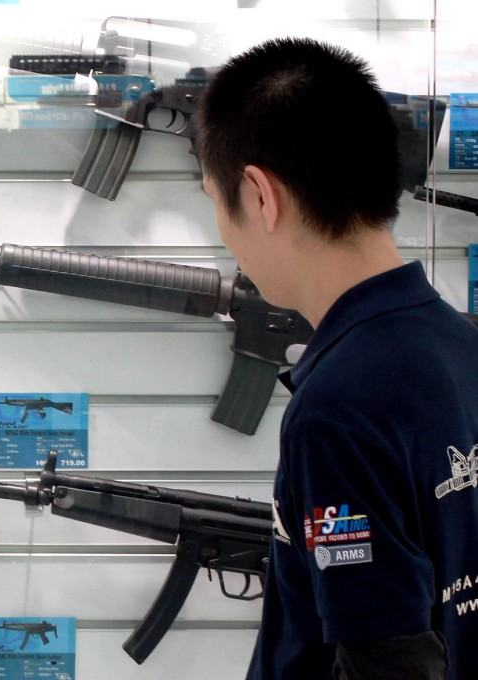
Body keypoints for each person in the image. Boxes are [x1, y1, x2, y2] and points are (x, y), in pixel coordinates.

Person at [196, 37, 478, 680]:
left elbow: (389, 664)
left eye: (215, 200)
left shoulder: (339, 407)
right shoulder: (461, 346)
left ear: (259, 195)